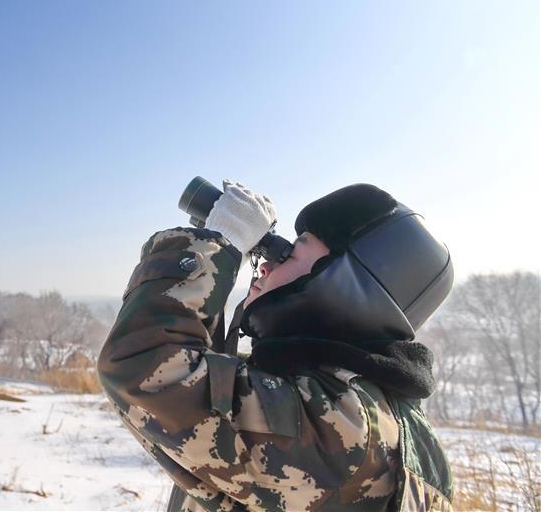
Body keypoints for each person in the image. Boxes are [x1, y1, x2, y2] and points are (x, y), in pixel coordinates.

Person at [97, 181, 455, 512]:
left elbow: (144, 365)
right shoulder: (354, 397)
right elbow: (205, 373)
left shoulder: (344, 421)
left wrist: (216, 243)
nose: (265, 265)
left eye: (290, 255)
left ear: (341, 286)